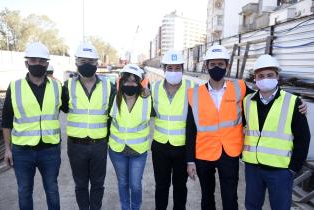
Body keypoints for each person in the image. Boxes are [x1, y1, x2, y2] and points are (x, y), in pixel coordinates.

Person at [185, 45, 307, 210]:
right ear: (206, 66)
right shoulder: (194, 94)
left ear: (227, 66)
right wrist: (190, 160)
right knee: (207, 197)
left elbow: (268, 92)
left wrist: (298, 101)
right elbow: (190, 130)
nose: (216, 68)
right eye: (212, 64)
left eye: (220, 64)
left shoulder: (240, 88)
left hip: (230, 152)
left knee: (230, 197)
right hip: (204, 153)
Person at [242, 54, 311, 210]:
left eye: (269, 75)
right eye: (261, 76)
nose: (265, 79)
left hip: (280, 170)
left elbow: (303, 138)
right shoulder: (247, 101)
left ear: (277, 76)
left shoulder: (293, 102)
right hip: (253, 168)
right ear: (255, 79)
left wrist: (293, 168)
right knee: (252, 206)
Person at [2, 42, 62, 210]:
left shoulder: (57, 87)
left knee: (52, 190)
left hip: (50, 149)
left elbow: (73, 106)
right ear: (26, 63)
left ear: (47, 64)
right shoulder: (15, 87)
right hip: (22, 151)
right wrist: (8, 149)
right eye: (33, 60)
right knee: (24, 191)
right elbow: (6, 121)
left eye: (42, 61)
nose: (38, 64)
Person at [62, 42, 114, 210]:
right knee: (81, 185)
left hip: (99, 145)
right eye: (83, 61)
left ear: (97, 64)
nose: (87, 65)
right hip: (76, 146)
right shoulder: (67, 86)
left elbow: (117, 111)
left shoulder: (108, 86)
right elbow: (60, 107)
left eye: (91, 62)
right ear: (76, 62)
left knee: (98, 184)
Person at [151, 50, 193, 210]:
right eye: (170, 68)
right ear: (164, 69)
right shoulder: (154, 88)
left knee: (180, 187)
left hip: (182, 148)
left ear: (183, 69)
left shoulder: (192, 88)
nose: (173, 72)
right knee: (161, 186)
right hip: (160, 146)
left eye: (177, 68)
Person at [108, 64, 151, 210]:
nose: (130, 84)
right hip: (117, 149)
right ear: (122, 81)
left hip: (138, 151)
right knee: (123, 183)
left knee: (135, 185)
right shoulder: (114, 96)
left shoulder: (147, 97)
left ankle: (135, 207)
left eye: (134, 81)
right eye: (127, 80)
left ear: (139, 82)